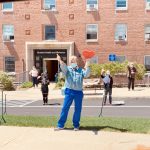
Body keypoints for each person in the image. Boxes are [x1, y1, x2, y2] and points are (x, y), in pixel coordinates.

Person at [55, 54, 90, 131]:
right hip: (69, 91)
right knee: (65, 108)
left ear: (76, 61)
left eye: (73, 60)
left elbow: (87, 74)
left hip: (78, 92)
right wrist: (60, 60)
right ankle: (60, 125)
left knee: (78, 109)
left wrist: (87, 64)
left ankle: (76, 125)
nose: (72, 62)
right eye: (71, 61)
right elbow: (63, 67)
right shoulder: (67, 69)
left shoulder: (81, 70)